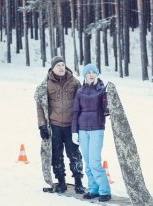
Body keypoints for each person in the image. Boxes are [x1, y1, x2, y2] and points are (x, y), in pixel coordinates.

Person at [35, 56, 85, 194]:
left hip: (71, 126)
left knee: (74, 154)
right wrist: (42, 126)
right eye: (58, 65)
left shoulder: (74, 82)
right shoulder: (45, 84)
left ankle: (78, 182)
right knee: (56, 155)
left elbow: (83, 102)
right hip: (55, 126)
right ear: (53, 68)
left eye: (63, 64)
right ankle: (61, 182)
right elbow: (40, 105)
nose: (61, 67)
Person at [71, 63, 111, 202]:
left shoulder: (102, 90)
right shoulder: (80, 92)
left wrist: (107, 97)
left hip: (96, 130)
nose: (91, 74)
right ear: (85, 75)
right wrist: (74, 132)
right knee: (88, 162)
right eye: (89, 72)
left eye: (94, 72)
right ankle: (93, 190)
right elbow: (76, 112)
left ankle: (105, 190)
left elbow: (107, 109)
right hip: (82, 131)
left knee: (95, 161)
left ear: (97, 74)